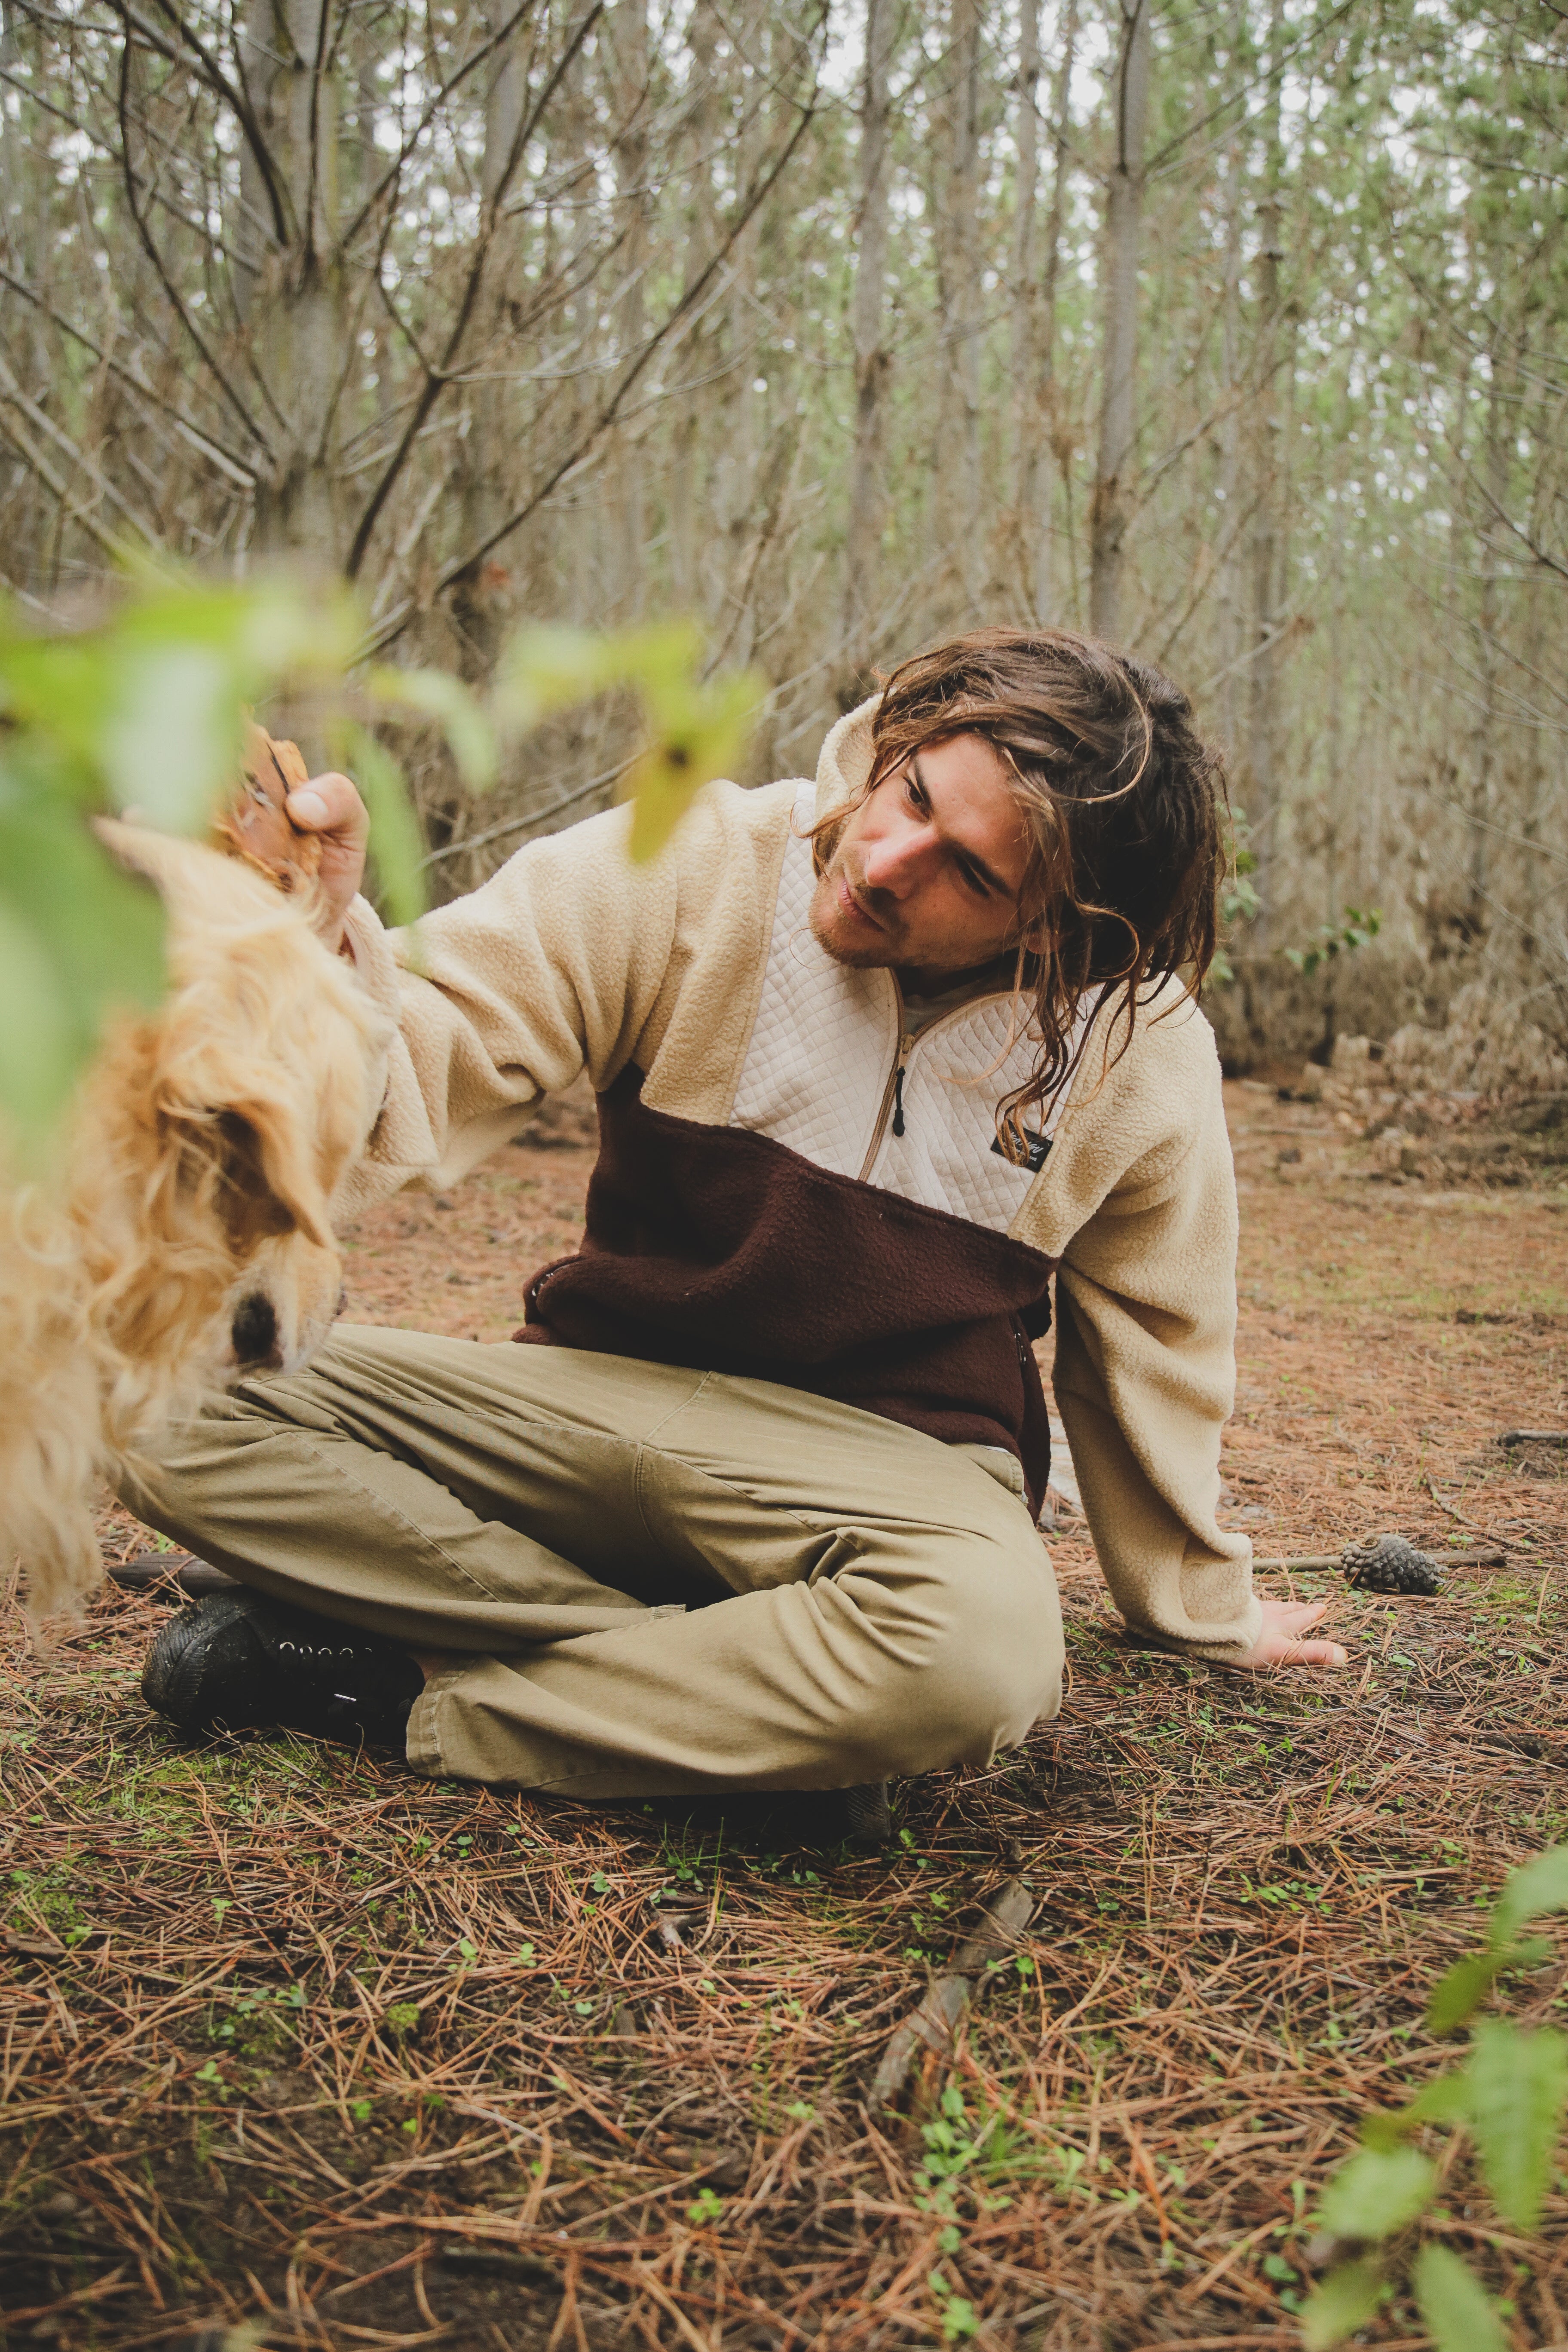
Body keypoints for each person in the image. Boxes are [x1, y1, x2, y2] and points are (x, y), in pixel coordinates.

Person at [130, 628, 1344, 1841]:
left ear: (1054, 934)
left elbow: (1162, 1339)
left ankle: (396, 1690)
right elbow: (418, 1055)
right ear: (899, 745)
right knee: (149, 1383)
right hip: (589, 1407)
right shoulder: (694, 867)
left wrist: (1195, 1600)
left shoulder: (1140, 1052)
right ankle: (747, 1719)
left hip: (889, 1480)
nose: (885, 858)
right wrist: (301, 944)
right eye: (910, 793)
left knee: (978, 1652)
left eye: (967, 874)